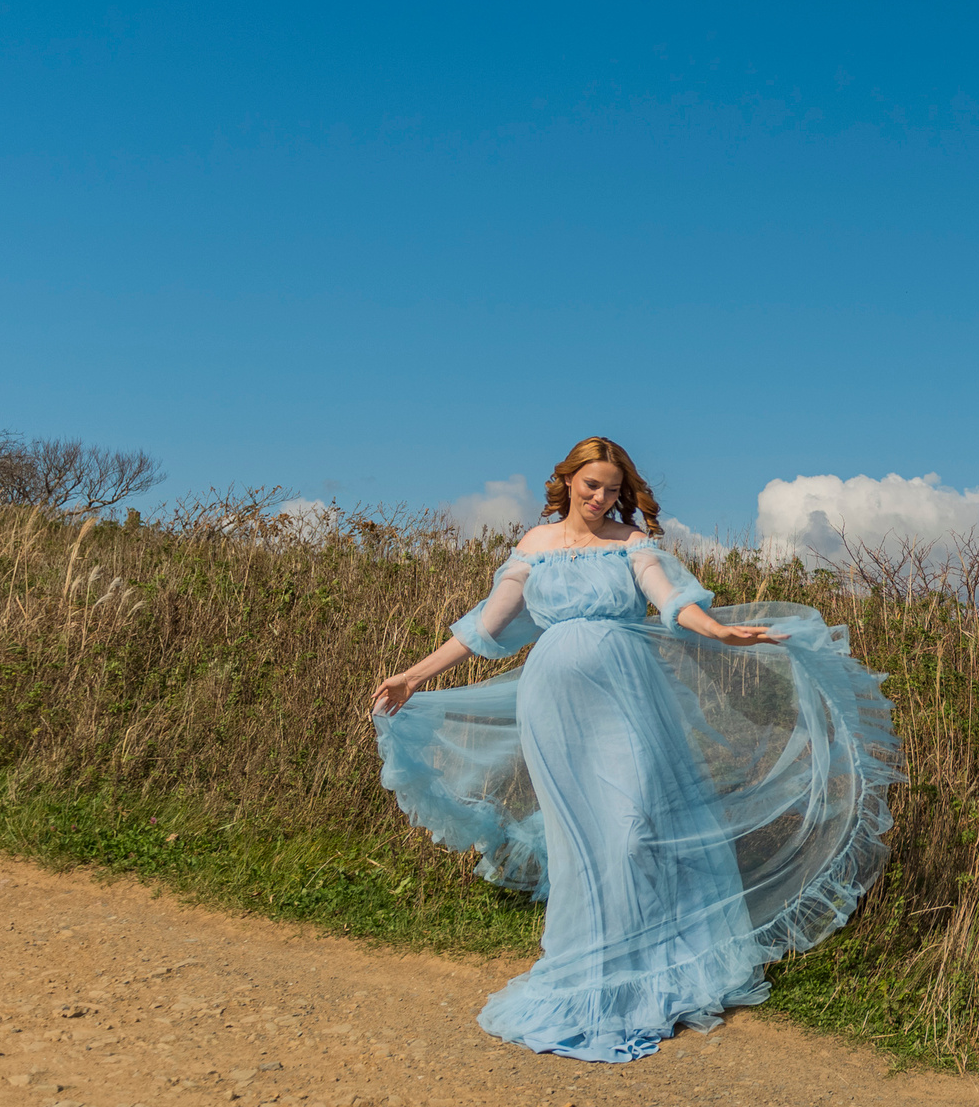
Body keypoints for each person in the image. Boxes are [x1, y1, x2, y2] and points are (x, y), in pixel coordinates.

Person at [369, 435, 899, 1062]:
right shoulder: (534, 547)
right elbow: (485, 627)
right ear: (567, 482)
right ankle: (588, 965)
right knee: (581, 842)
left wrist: (720, 630)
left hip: (624, 695)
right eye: (591, 486)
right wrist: (412, 676)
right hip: (553, 707)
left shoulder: (633, 545)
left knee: (633, 826)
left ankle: (656, 968)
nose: (601, 498)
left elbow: (672, 601)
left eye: (613, 490)